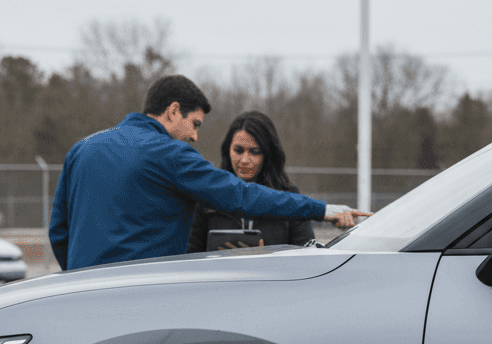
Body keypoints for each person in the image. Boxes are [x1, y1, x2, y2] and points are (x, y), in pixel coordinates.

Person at [49, 75, 368, 270]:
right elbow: (241, 196)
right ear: (173, 111)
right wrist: (323, 210)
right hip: (140, 299)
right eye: (195, 124)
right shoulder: (171, 154)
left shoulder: (82, 148)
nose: (195, 136)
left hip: (81, 294)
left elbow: (59, 231)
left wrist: (80, 275)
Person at [187, 111, 314, 252]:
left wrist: (266, 260)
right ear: (227, 149)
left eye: (254, 151)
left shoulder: (291, 199)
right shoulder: (207, 198)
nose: (245, 160)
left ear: (268, 154)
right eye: (238, 150)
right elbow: (190, 257)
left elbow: (307, 260)